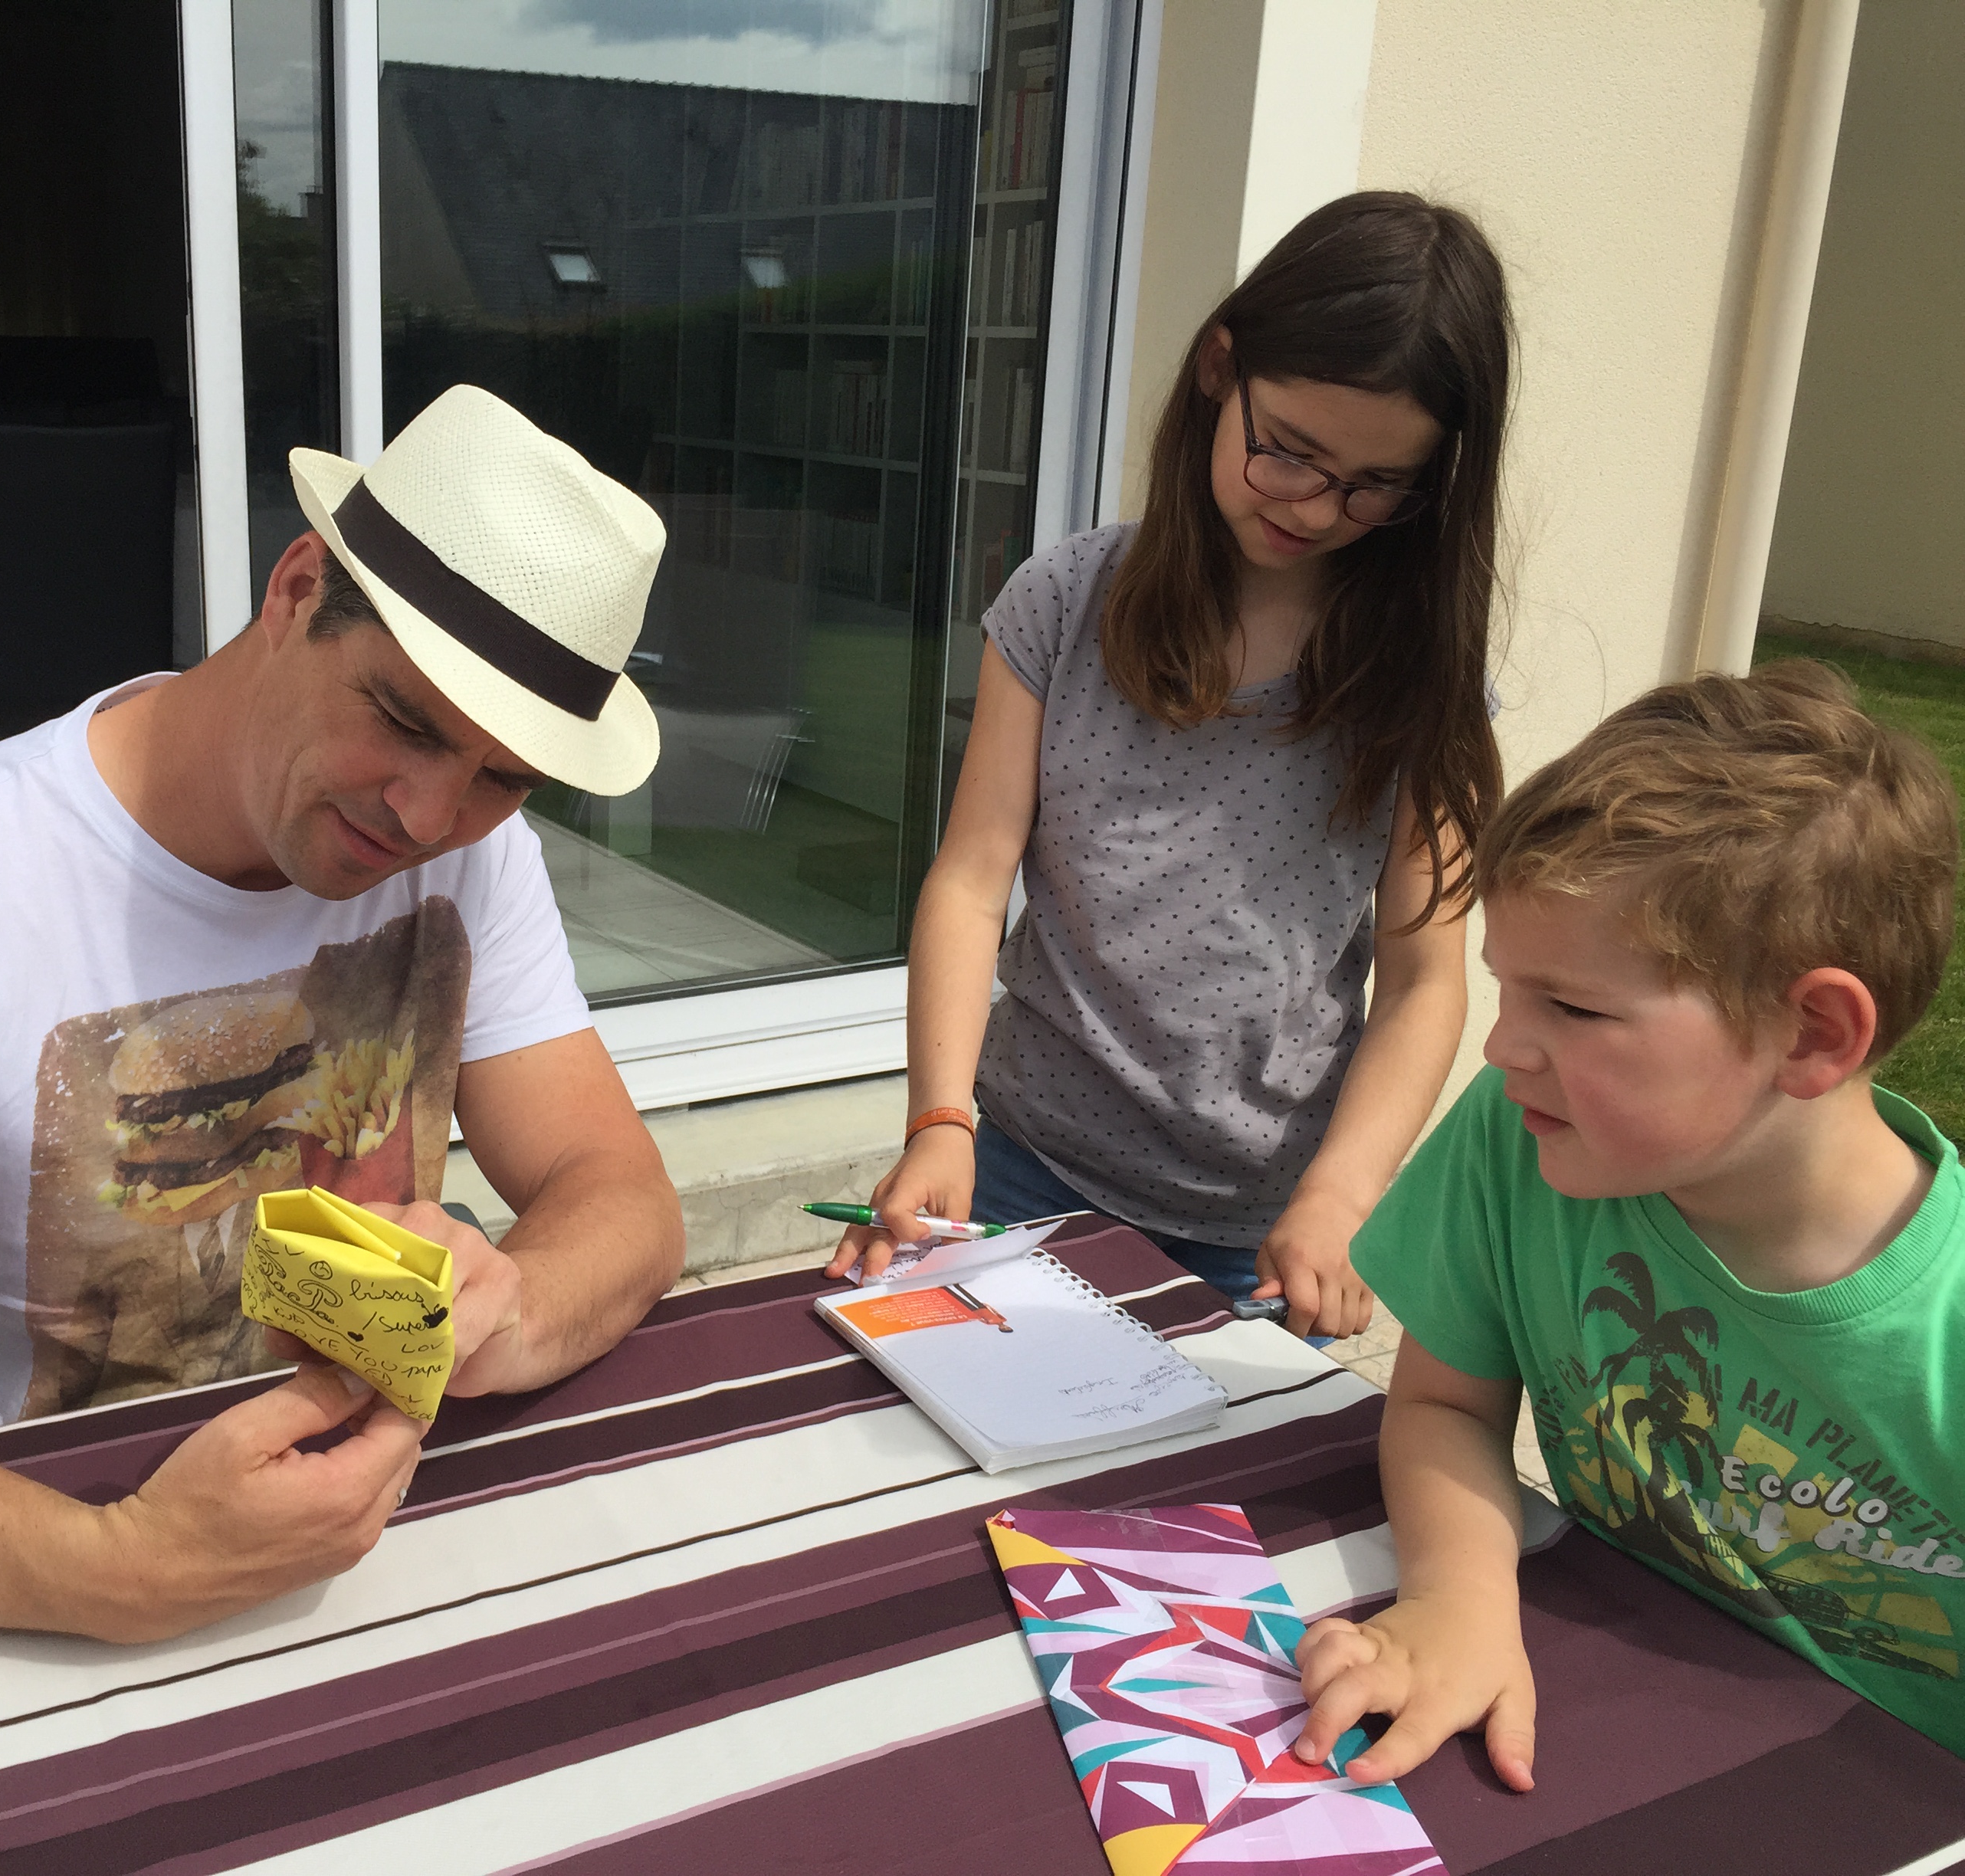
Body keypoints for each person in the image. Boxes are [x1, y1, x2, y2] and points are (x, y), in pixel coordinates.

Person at [0, 385, 687, 1643]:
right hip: (1, 1571)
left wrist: (514, 1305)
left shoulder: (478, 859)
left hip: (354, 1538)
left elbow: (622, 1193)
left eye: (502, 778)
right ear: (296, 590)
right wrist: (124, 1567)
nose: (429, 817)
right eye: (401, 719)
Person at [830, 192, 1511, 1338]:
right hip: (1025, 1167)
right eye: (1289, 453)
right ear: (1219, 370)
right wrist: (940, 1121)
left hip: (1265, 1221)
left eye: (1375, 484)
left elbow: (1424, 982)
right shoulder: (1064, 603)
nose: (1318, 509)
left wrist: (1343, 1197)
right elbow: (971, 878)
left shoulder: (1422, 676)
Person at [1297, 661, 1965, 1780]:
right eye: (1508, 987)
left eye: (1572, 1006)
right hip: (1608, 1721)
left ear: (1811, 1035)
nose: (1502, 1047)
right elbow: (1446, 1403)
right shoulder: (1521, 1137)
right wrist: (1459, 1601)